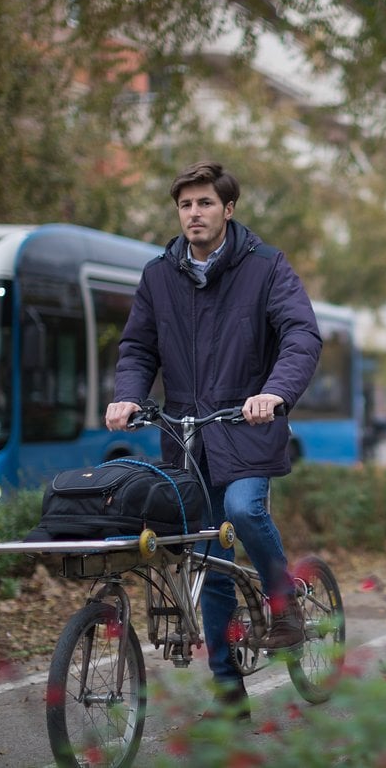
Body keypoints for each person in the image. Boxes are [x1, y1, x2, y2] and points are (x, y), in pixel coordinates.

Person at [104, 160, 322, 719]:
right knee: (210, 558)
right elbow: (138, 348)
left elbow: (300, 334)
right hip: (186, 439)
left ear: (228, 209)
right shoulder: (159, 274)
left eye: (205, 203)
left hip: (246, 427)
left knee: (244, 509)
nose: (194, 213)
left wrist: (273, 393)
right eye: (185, 205)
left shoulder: (267, 267)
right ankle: (229, 695)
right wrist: (128, 395)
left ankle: (284, 603)